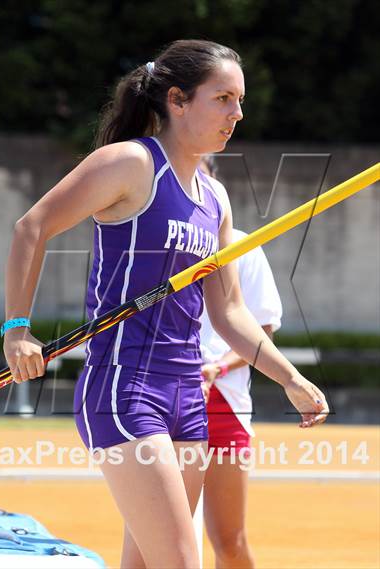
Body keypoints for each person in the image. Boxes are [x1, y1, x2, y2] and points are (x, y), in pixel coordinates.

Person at [2, 40, 328, 569]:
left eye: (239, 101)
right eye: (222, 98)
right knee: (181, 563)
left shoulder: (214, 198)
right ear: (177, 100)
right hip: (124, 387)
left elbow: (230, 313)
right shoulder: (131, 163)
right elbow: (32, 227)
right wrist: (17, 329)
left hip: (187, 394)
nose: (237, 114)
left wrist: (288, 377)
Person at [199, 155, 282, 568]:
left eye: (202, 175)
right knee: (154, 538)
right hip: (159, 397)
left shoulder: (243, 247)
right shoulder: (150, 242)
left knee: (228, 541)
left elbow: (262, 328)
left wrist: (217, 367)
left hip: (222, 401)